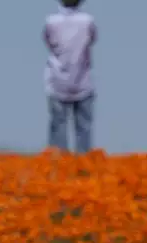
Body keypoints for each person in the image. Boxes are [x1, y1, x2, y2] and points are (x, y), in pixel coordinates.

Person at [44, 0, 97, 152]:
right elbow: (92, 39)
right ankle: (83, 165)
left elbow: (47, 41)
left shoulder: (51, 22)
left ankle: (60, 165)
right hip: (83, 80)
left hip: (57, 79)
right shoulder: (87, 21)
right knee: (83, 127)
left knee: (58, 126)